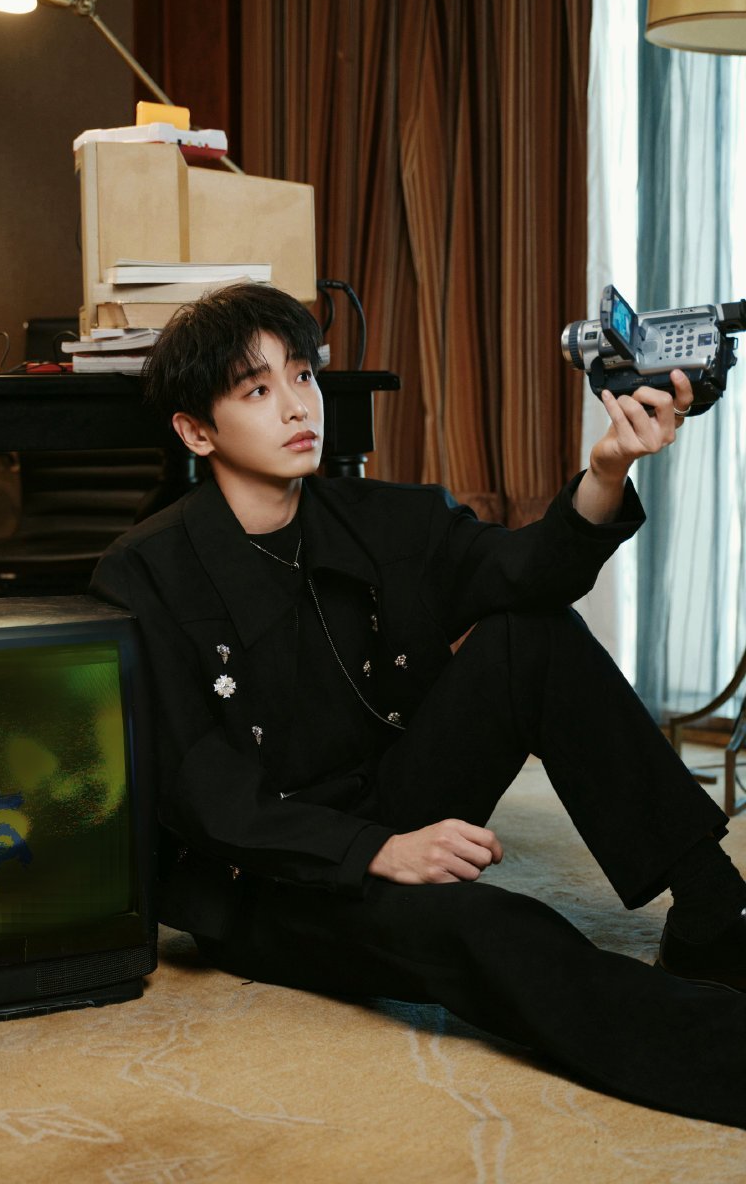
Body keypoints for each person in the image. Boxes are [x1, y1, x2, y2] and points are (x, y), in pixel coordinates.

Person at [91, 283, 746, 1128]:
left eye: (302, 375)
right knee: (492, 929)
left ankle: (712, 918)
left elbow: (528, 573)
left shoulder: (382, 516)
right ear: (196, 431)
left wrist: (607, 471)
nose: (296, 406)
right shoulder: (145, 571)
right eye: (256, 390)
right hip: (268, 873)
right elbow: (204, 796)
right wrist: (379, 851)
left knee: (533, 635)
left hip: (391, 794)